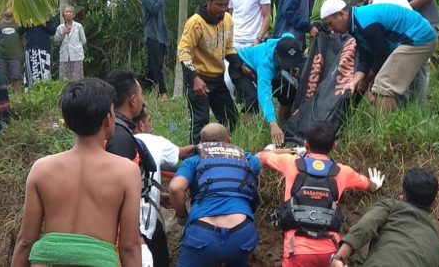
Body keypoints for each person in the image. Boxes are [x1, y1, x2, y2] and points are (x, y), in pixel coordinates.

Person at [11, 79, 141, 267]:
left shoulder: (42, 168)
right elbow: (129, 246)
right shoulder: (126, 172)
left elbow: (25, 241)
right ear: (107, 119)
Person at [257, 123, 385, 267]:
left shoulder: (291, 163)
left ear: (306, 144)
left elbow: (261, 156)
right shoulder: (343, 171)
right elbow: (368, 184)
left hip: (296, 249)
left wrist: (293, 150)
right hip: (330, 251)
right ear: (334, 146)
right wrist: (376, 184)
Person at [321, 0, 438, 112]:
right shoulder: (357, 22)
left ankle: (385, 129)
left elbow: (382, 55)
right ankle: (406, 121)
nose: (331, 30)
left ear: (341, 14)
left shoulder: (365, 22)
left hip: (418, 39)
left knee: (382, 85)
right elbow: (365, 57)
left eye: (330, 24)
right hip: (417, 38)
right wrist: (355, 81)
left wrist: (366, 80)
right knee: (395, 86)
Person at [169, 122, 261, 267]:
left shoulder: (193, 161)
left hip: (202, 234)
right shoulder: (247, 159)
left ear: (201, 144)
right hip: (242, 232)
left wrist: (182, 217)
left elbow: (175, 188)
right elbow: (259, 161)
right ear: (229, 140)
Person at [329, 168, 439, 267]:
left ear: (403, 195)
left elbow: (365, 226)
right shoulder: (438, 243)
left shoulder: (391, 207)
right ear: (434, 204)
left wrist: (339, 258)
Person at [132, 105, 196, 267]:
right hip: (144, 227)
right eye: (149, 121)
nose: (151, 126)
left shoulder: (113, 141)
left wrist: (157, 196)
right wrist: (203, 148)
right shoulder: (154, 141)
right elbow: (184, 153)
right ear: (141, 126)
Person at [178, 0, 242, 144]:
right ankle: (196, 159)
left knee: (231, 118)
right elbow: (184, 52)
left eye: (225, 5)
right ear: (208, 1)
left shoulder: (227, 19)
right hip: (198, 78)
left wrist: (241, 65)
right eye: (218, 4)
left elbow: (228, 48)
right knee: (200, 122)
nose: (222, 9)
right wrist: (195, 79)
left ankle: (226, 151)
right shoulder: (195, 23)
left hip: (217, 78)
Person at [229, 33, 304, 147]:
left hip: (261, 68)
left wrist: (292, 67)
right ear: (276, 54)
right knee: (252, 98)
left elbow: (287, 35)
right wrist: (272, 123)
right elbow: (265, 95)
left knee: (290, 93)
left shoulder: (289, 42)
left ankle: (282, 129)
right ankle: (250, 138)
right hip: (241, 67)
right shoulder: (266, 64)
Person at [104, 69, 145, 162]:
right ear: (133, 100)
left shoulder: (104, 127)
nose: (143, 99)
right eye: (141, 94)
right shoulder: (120, 138)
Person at [142, 0, 171, 98]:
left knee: (151, 67)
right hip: (152, 35)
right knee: (158, 64)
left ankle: (142, 89)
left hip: (162, 36)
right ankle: (162, 92)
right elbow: (154, 10)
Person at [55, 5, 87, 82]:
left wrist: (76, 47)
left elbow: (83, 40)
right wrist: (63, 33)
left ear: (73, 14)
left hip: (76, 55)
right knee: (64, 79)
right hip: (64, 56)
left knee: (77, 79)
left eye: (70, 12)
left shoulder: (78, 26)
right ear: (63, 14)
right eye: (66, 12)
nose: (68, 13)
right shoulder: (60, 28)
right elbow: (56, 42)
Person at [20, 19, 56, 88]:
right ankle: (31, 90)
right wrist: (25, 24)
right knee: (31, 71)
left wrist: (44, 24)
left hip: (43, 48)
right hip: (31, 48)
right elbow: (19, 31)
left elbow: (52, 31)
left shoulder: (45, 17)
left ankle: (45, 89)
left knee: (44, 71)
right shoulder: (26, 17)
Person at [0, 9, 25, 92]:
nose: (8, 10)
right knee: (1, 77)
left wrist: (22, 50)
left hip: (16, 55)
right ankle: (3, 94)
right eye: (7, 7)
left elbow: (22, 38)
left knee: (16, 77)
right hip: (2, 55)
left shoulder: (18, 22)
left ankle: (17, 95)